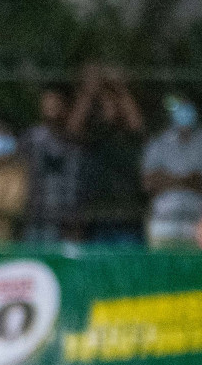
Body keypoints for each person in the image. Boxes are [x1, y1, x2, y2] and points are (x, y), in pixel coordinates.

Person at [69, 64, 146, 242]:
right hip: (96, 215)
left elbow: (137, 125)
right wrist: (89, 90)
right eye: (104, 101)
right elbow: (72, 129)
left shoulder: (127, 136)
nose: (109, 106)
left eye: (112, 101)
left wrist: (120, 88)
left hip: (128, 214)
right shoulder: (93, 136)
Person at [141, 94, 202, 249]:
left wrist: (167, 179)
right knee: (162, 268)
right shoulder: (159, 142)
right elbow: (149, 183)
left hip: (198, 220)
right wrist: (188, 180)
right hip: (163, 220)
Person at [21, 89, 81, 242]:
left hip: (65, 219)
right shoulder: (32, 138)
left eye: (54, 104)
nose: (50, 108)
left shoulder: (73, 141)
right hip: (36, 216)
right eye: (47, 103)